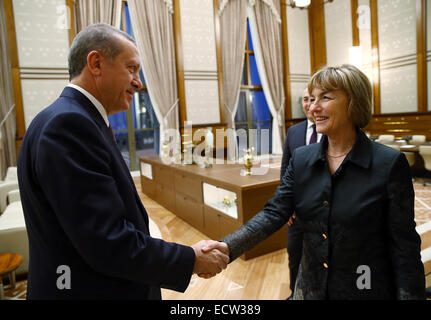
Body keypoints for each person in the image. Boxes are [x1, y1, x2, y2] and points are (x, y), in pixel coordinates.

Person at [17, 23, 228, 300]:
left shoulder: (70, 118)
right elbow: (107, 241)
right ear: (96, 63)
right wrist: (191, 259)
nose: (138, 82)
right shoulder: (70, 125)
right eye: (132, 68)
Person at [218, 64, 426, 299]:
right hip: (310, 289)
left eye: (325, 98)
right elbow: (273, 213)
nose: (313, 107)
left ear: (353, 102)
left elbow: (405, 247)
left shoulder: (389, 164)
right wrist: (227, 247)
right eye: (312, 99)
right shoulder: (302, 159)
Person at [280, 88, 322, 299]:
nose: (309, 104)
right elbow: (285, 169)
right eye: (306, 99)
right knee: (294, 252)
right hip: (297, 212)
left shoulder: (331, 129)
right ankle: (295, 292)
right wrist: (286, 205)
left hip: (325, 210)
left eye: (313, 99)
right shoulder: (293, 132)